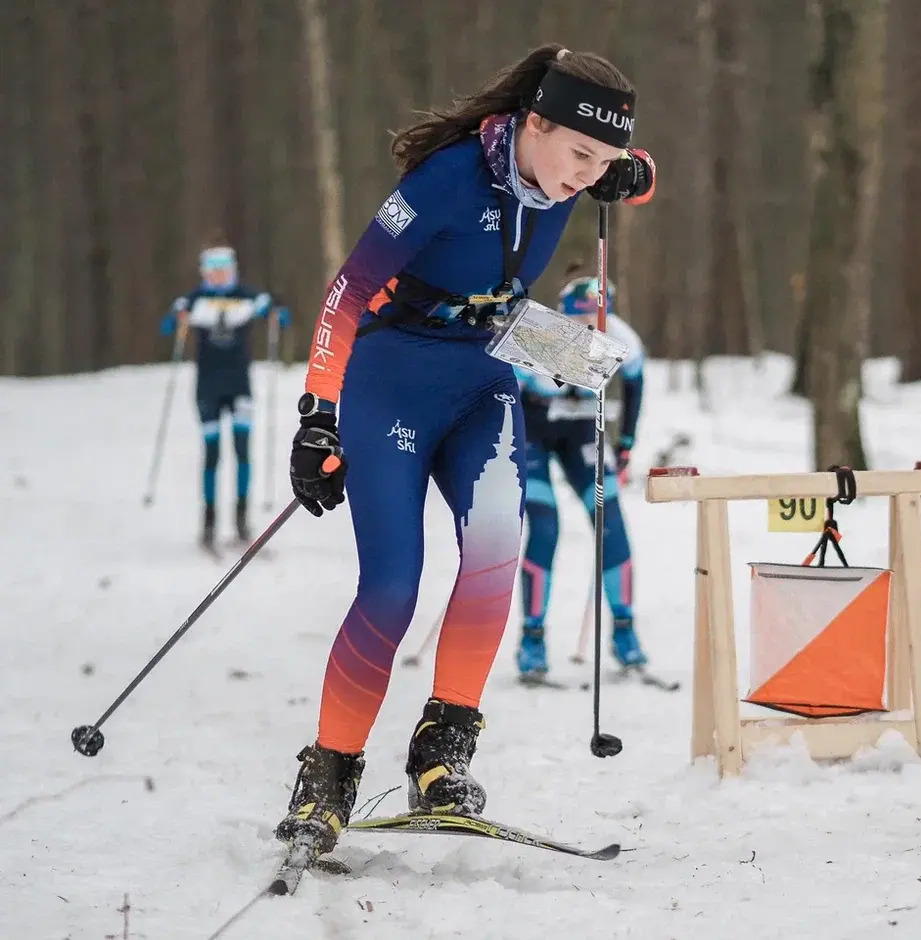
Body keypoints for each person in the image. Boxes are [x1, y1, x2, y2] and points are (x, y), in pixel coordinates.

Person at [276, 44, 655, 855]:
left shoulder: (578, 167)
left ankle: (441, 754)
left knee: (493, 557)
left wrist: (632, 172)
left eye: (603, 163)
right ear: (534, 124)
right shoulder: (446, 180)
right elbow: (347, 291)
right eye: (578, 155)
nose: (586, 176)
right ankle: (329, 774)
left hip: (485, 381)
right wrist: (318, 413)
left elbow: (638, 168)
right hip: (392, 381)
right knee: (391, 586)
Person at [513, 267, 648, 681]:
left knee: (610, 523)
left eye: (595, 320)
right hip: (534, 438)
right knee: (546, 526)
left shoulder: (622, 337)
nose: (588, 328)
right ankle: (532, 640)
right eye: (578, 320)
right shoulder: (539, 331)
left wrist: (625, 444)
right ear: (563, 313)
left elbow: (636, 383)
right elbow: (532, 386)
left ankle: (625, 634)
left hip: (583, 439)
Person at [159, 237, 290, 549]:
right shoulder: (194, 300)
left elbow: (280, 316)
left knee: (243, 450)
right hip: (208, 388)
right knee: (213, 453)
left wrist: (275, 315)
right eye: (213, 271)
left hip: (239, 385)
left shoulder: (247, 297)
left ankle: (242, 520)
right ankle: (209, 523)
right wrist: (177, 319)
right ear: (205, 273)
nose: (219, 277)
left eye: (225, 270)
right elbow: (166, 327)